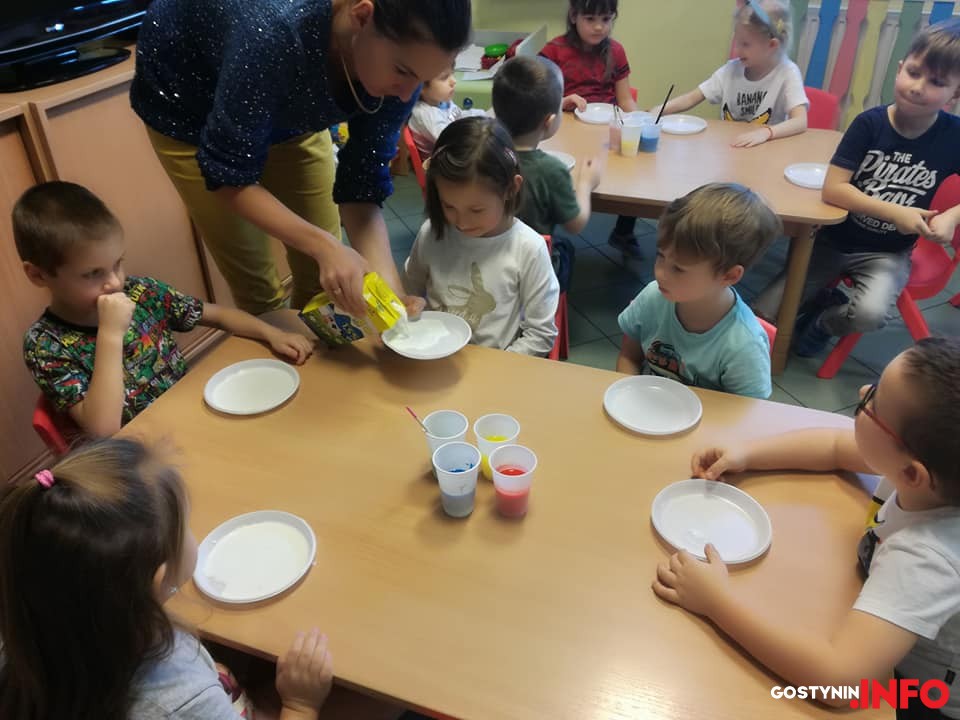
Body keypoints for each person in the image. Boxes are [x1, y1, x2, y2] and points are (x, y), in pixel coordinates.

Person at [658, 336, 960, 720]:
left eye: (873, 403)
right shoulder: (925, 474)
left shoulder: (925, 559)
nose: (862, 391)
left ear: (912, 474)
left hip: (922, 693)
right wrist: (747, 454)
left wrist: (717, 603)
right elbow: (834, 445)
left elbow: (838, 681)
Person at [130, 0, 471, 318]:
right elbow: (225, 175)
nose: (407, 95)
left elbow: (363, 183)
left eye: (422, 79)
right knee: (261, 294)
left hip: (288, 101)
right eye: (402, 71)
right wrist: (322, 245)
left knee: (324, 280)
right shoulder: (274, 31)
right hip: (191, 111)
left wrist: (391, 302)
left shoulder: (398, 78)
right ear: (362, 16)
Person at [0, 437, 334, 720]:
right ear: (158, 581)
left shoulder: (35, 636)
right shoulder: (184, 702)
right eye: (185, 523)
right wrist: (299, 704)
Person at [15, 181, 313, 437]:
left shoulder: (141, 292)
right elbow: (103, 430)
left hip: (192, 417)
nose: (115, 282)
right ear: (38, 275)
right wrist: (110, 335)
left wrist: (272, 333)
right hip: (141, 455)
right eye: (93, 274)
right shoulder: (45, 345)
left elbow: (219, 315)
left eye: (118, 264)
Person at [753, 18, 960, 357]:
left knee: (870, 315)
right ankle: (820, 296)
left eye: (936, 82)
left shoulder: (953, 135)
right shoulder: (870, 124)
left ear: (955, 94)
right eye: (913, 72)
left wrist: (952, 216)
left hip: (889, 253)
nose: (918, 87)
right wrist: (896, 212)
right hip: (832, 240)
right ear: (899, 69)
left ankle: (822, 322)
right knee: (761, 312)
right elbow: (833, 190)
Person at [403, 117, 560, 356]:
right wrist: (412, 304)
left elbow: (541, 334)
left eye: (476, 210)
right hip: (434, 356)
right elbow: (410, 289)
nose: (462, 222)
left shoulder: (528, 248)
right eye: (449, 206)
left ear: (511, 189)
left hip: (497, 365)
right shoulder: (432, 232)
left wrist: (499, 368)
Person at [615, 183, 780, 399]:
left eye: (678, 269)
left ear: (729, 276)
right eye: (660, 256)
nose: (660, 273)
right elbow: (629, 357)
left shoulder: (744, 344)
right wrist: (630, 400)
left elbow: (747, 412)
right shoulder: (653, 296)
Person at [539, 0, 642, 255]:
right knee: (555, 174)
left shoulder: (615, 51)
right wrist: (563, 101)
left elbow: (625, 100)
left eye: (606, 19)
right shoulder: (554, 51)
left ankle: (623, 231)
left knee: (633, 167)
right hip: (565, 129)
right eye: (590, 19)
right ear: (574, 16)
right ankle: (548, 234)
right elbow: (539, 98)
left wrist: (639, 122)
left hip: (606, 130)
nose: (599, 27)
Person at [654, 0, 808, 148]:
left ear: (772, 45)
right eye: (737, 42)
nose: (737, 50)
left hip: (766, 150)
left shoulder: (787, 73)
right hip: (730, 147)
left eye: (745, 44)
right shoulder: (731, 70)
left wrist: (766, 133)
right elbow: (691, 98)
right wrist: (657, 110)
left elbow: (800, 121)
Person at [492, 55, 605, 236]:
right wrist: (586, 184)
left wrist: (551, 103)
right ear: (549, 121)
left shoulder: (484, 154)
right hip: (534, 253)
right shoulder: (551, 170)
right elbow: (575, 225)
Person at [407, 65, 487, 159]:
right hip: (440, 160)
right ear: (421, 87)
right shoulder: (423, 114)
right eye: (444, 77)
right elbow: (450, 138)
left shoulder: (442, 101)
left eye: (452, 73)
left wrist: (482, 115)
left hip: (452, 148)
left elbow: (459, 116)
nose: (454, 81)